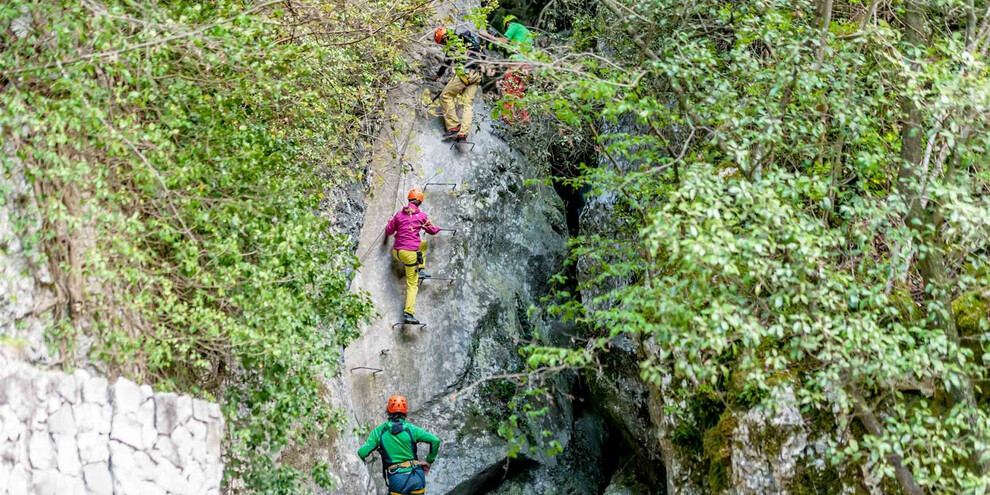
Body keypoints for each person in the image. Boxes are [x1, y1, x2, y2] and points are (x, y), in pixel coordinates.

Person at [358, 395, 441, 495]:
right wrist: (429, 461)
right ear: (405, 412)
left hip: (397, 478)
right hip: (416, 475)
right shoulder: (412, 429)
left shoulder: (379, 432)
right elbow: (435, 441)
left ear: (388, 411)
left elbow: (362, 452)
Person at [385, 188, 440, 325]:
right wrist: (438, 228)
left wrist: (391, 221)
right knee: (412, 284)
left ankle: (420, 268)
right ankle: (408, 313)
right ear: (419, 202)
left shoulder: (399, 215)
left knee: (423, 243)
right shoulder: (421, 216)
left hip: (397, 252)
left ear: (409, 199)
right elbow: (432, 231)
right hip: (410, 255)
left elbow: (389, 231)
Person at [433, 27, 488, 142]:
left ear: (445, 38)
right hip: (478, 74)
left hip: (465, 73)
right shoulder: (468, 39)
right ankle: (463, 135)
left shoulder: (453, 44)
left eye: (443, 42)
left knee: (445, 96)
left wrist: (438, 75)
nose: (444, 45)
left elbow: (446, 63)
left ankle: (454, 127)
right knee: (468, 105)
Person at [480, 16, 533, 125]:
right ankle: (524, 121)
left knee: (507, 91)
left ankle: (507, 121)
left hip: (517, 63)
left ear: (508, 24)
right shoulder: (526, 32)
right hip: (528, 65)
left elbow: (504, 40)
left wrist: (486, 35)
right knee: (519, 94)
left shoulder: (514, 25)